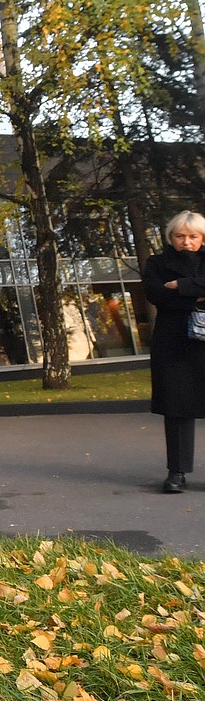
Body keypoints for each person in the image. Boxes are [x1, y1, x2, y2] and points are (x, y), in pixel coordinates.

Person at [141, 210, 205, 495]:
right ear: (171, 237)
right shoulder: (157, 262)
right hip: (173, 343)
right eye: (180, 236)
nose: (187, 242)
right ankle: (176, 473)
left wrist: (180, 286)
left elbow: (170, 295)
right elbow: (157, 297)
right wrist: (196, 294)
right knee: (177, 408)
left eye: (193, 236)